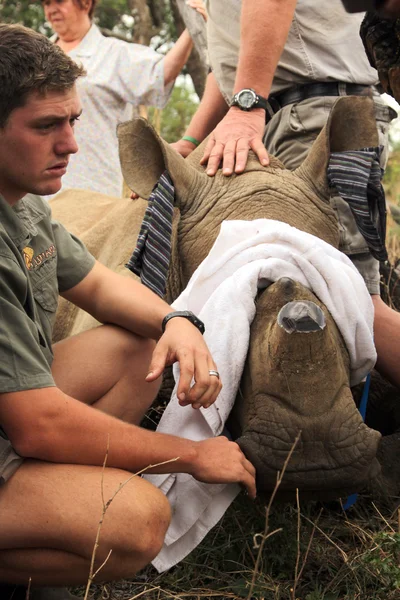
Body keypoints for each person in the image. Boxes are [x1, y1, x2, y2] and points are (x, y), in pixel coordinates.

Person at [0, 23, 256, 598]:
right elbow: (37, 424)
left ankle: (48, 524)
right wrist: (191, 456)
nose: (69, 144)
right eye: (46, 126)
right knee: (138, 522)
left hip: (11, 421)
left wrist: (178, 322)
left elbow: (99, 285)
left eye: (72, 121)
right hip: (20, 423)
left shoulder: (22, 209)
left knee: (138, 345)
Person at [172, 0, 400, 391]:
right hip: (281, 116)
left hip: (312, 115)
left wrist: (247, 104)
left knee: (355, 301)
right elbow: (229, 60)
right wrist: (193, 139)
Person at [40, 0, 197, 197]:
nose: (51, 9)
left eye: (59, 1)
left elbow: (162, 73)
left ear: (86, 3)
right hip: (36, 195)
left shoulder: (113, 54)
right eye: (46, 3)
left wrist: (193, 26)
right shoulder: (36, 57)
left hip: (92, 191)